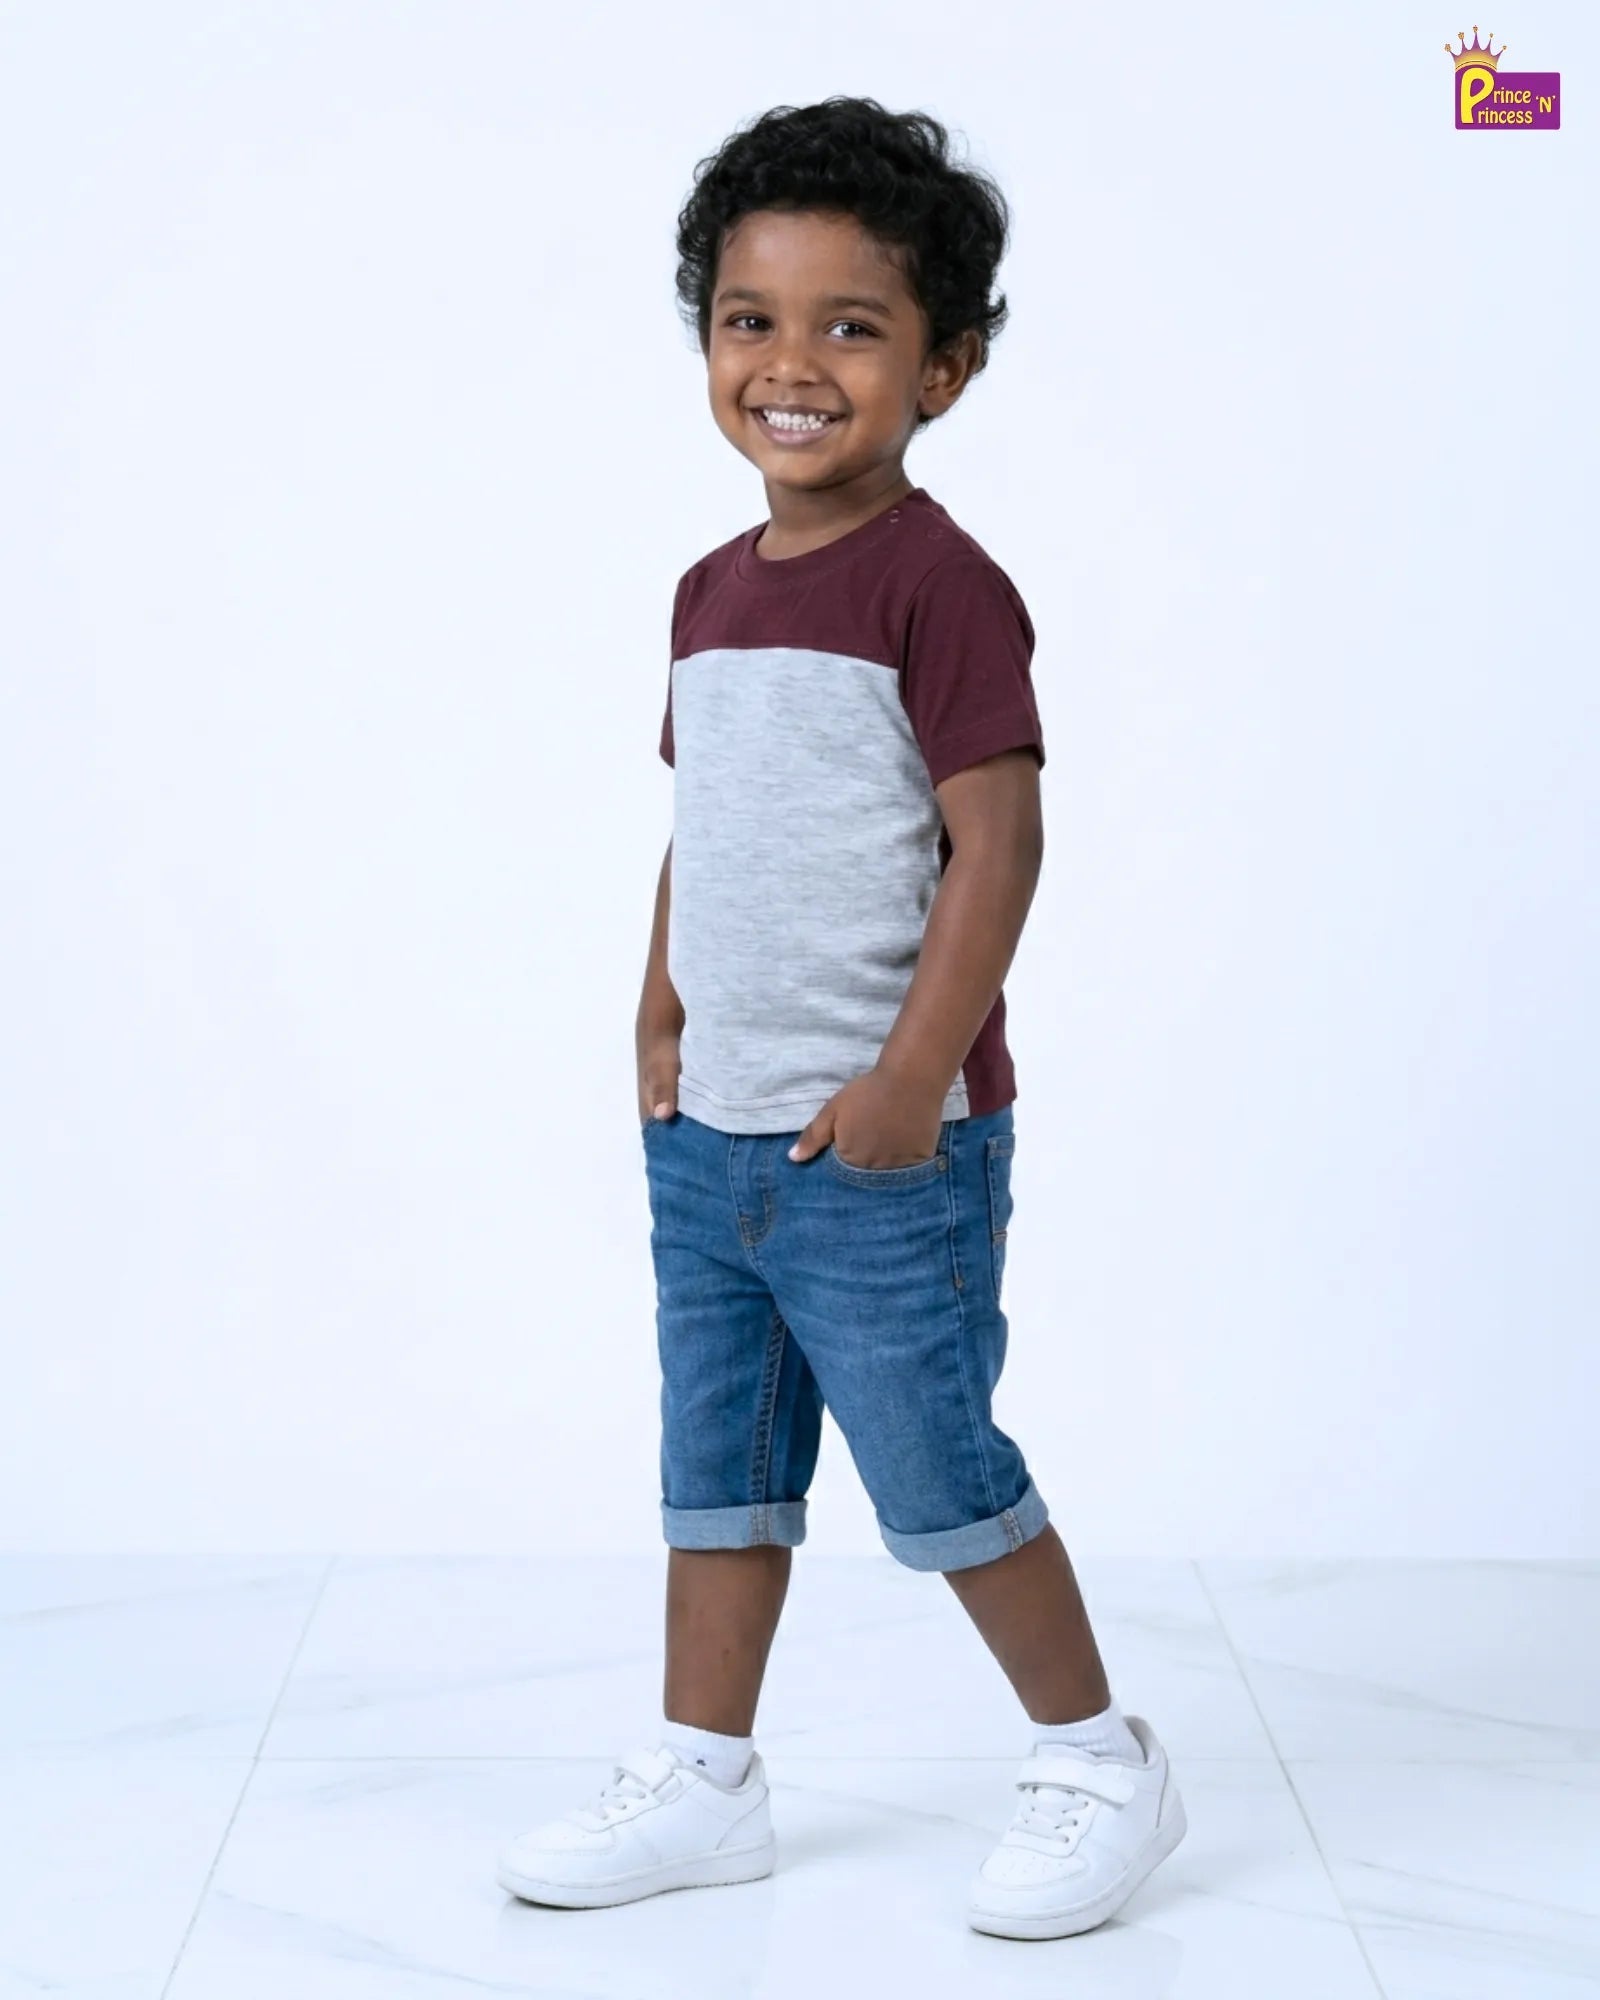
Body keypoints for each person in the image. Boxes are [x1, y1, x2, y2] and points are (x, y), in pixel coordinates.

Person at [497, 95, 1186, 1942]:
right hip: (709, 1131)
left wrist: (907, 1082)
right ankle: (706, 1777)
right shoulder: (709, 594)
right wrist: (652, 1014)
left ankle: (1100, 1757)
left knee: (941, 1465)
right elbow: (702, 831)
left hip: (885, 1152)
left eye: (852, 327)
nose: (791, 365)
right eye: (750, 320)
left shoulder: (941, 585)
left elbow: (1000, 839)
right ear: (707, 339)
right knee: (713, 1467)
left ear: (947, 367)